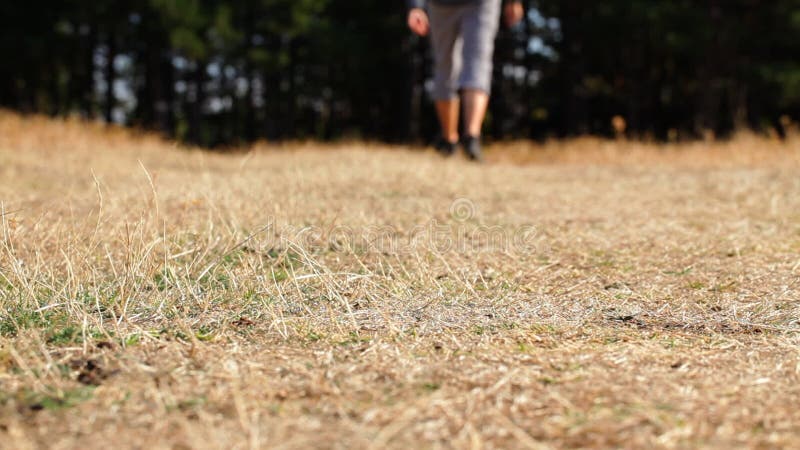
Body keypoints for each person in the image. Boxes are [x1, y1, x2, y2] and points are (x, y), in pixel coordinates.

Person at [407, 0, 524, 161]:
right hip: (440, 5)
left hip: (482, 3)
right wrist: (416, 7)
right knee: (445, 66)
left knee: (478, 61)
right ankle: (449, 140)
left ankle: (472, 138)